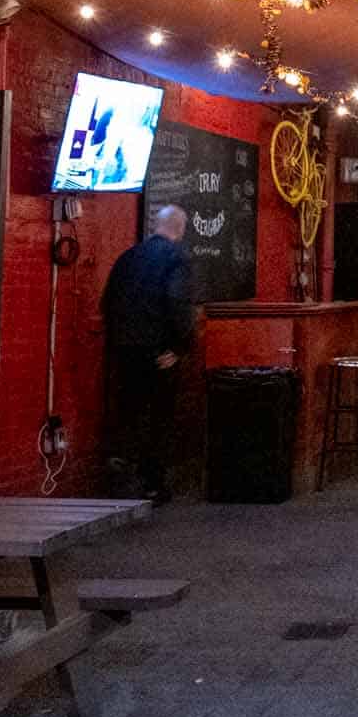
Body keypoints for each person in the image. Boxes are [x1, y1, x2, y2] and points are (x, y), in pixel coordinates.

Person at [102, 205, 195, 504]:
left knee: (128, 412)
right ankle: (152, 485)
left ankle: (120, 479)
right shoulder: (177, 259)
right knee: (159, 418)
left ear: (156, 224)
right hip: (159, 353)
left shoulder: (128, 257)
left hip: (124, 350)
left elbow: (107, 303)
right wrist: (180, 347)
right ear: (180, 230)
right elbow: (177, 302)